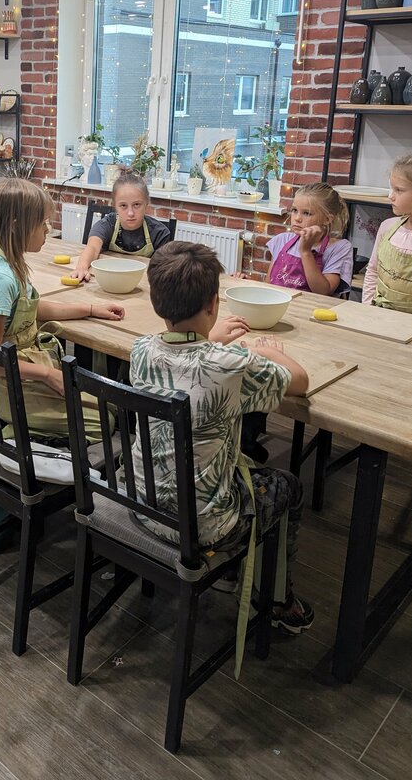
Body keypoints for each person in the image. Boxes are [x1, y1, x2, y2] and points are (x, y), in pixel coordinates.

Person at [130, 241, 314, 635]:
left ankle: (238, 573)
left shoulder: (141, 350)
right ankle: (276, 604)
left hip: (142, 502)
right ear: (214, 304)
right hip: (201, 526)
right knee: (288, 486)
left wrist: (210, 340)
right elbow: (300, 382)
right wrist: (267, 350)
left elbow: (189, 363)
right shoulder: (231, 365)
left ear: (156, 301)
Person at [0, 177, 124, 441]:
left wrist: (90, 308)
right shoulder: (1, 278)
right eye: (42, 222)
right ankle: (16, 438)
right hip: (3, 387)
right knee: (104, 420)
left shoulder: (8, 261)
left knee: (105, 405)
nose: (48, 229)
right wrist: (47, 374)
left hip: (16, 376)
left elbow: (32, 308)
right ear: (16, 226)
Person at [237, 182, 353, 296]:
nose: (297, 218)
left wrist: (306, 252)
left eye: (307, 213)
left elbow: (324, 292)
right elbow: (269, 286)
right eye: (294, 210)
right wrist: (246, 283)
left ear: (327, 219)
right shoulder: (282, 240)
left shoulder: (339, 248)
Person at [71, 168, 172, 281]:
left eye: (137, 204)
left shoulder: (159, 233)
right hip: (109, 279)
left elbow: (163, 270)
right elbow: (93, 247)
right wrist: (82, 267)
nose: (130, 213)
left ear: (146, 204)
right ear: (115, 206)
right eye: (123, 205)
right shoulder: (107, 224)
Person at [363, 152, 412, 314]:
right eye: (391, 188)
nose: (390, 196)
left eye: (399, 190)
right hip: (380, 316)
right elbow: (372, 271)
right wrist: (366, 309)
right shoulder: (387, 228)